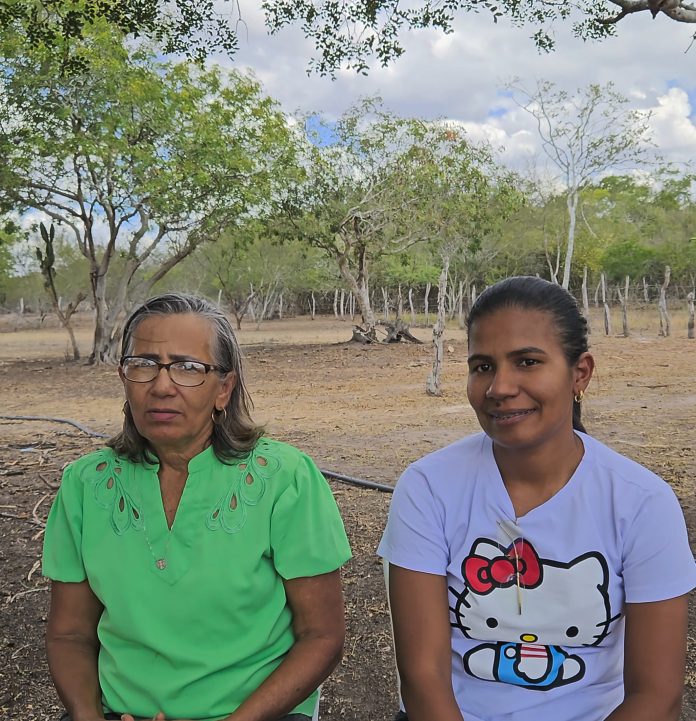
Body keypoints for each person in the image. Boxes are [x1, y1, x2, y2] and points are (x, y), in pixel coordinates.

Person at [378, 276, 696, 721]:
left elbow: (655, 697)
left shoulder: (642, 503)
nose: (499, 387)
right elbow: (423, 676)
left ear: (579, 373)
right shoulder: (428, 489)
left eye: (527, 362)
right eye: (482, 366)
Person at [42, 292, 352, 721]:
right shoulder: (85, 484)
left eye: (188, 368)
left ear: (224, 388)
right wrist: (88, 715)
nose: (162, 385)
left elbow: (322, 636)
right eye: (143, 364)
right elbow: (70, 635)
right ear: (123, 377)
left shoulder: (286, 479)